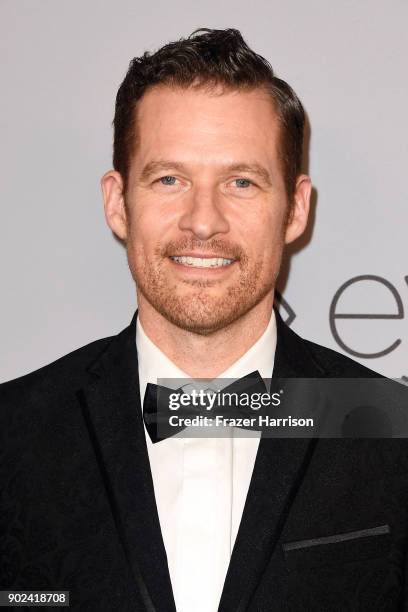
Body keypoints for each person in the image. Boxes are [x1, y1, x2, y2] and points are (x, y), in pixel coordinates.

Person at [1, 27, 407, 612]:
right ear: (118, 203)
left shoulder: (395, 436)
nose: (203, 221)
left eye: (241, 182)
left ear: (295, 209)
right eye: (170, 179)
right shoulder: (12, 436)